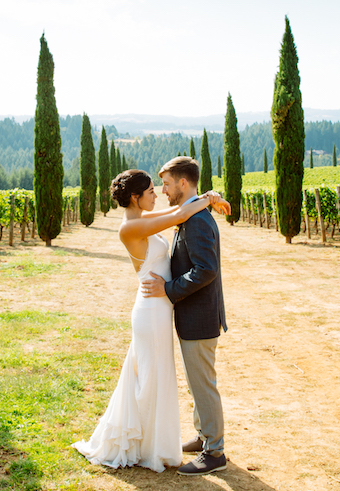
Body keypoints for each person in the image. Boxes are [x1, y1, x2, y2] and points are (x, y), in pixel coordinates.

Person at [73, 169, 228, 473]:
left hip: (159, 308)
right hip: (151, 310)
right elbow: (179, 214)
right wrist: (209, 199)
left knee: (153, 377)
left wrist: (207, 198)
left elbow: (179, 210)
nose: (157, 195)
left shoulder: (142, 220)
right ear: (135, 197)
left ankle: (154, 441)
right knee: (151, 379)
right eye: (151, 192)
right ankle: (150, 447)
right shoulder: (129, 228)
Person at [141, 156, 228, 476]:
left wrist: (169, 289)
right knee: (196, 382)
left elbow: (206, 270)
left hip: (200, 317)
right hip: (193, 316)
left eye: (165, 184)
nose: (163, 190)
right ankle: (205, 435)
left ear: (182, 183)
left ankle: (215, 451)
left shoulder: (198, 220)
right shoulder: (193, 213)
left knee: (204, 384)